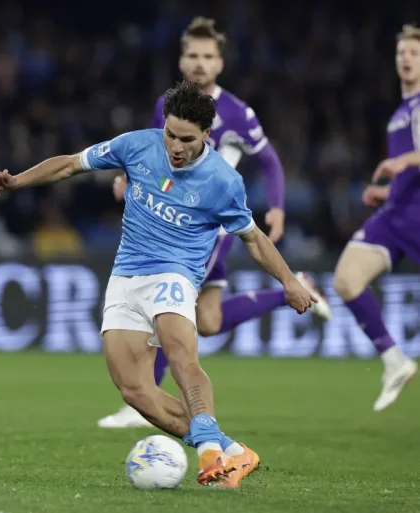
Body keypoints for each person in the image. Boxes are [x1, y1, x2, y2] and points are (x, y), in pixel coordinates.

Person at [0, 80, 316, 487]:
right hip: (125, 276)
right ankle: (232, 451)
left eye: (187, 139)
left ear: (206, 134)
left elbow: (254, 239)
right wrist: (17, 181)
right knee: (134, 390)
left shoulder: (223, 181)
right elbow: (71, 164)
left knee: (180, 354)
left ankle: (209, 455)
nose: (175, 146)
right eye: (170, 134)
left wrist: (289, 282)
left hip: (175, 274)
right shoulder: (137, 145)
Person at [98, 17, 331, 429]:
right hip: (173, 220)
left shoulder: (238, 113)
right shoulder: (168, 105)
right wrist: (125, 176)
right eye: (192, 55)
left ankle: (145, 399)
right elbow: (149, 151)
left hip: (206, 231)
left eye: (207, 56)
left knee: (167, 304)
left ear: (220, 63)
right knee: (209, 322)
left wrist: (277, 207)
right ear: (181, 59)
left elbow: (269, 161)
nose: (199, 63)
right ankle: (292, 289)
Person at [333, 24, 420, 412]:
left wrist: (403, 162)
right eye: (402, 52)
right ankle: (395, 361)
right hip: (396, 214)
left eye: (414, 53)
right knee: (346, 279)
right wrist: (388, 192)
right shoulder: (401, 112)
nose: (406, 58)